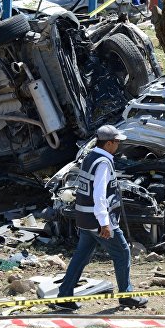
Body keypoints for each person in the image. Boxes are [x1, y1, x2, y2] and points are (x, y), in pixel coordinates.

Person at [53, 125, 148, 311]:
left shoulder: (90, 157)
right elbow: (99, 196)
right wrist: (105, 223)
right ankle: (126, 296)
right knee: (122, 252)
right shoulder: (103, 162)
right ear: (109, 143)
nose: (119, 145)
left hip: (85, 218)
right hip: (98, 220)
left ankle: (64, 296)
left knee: (81, 257)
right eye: (117, 142)